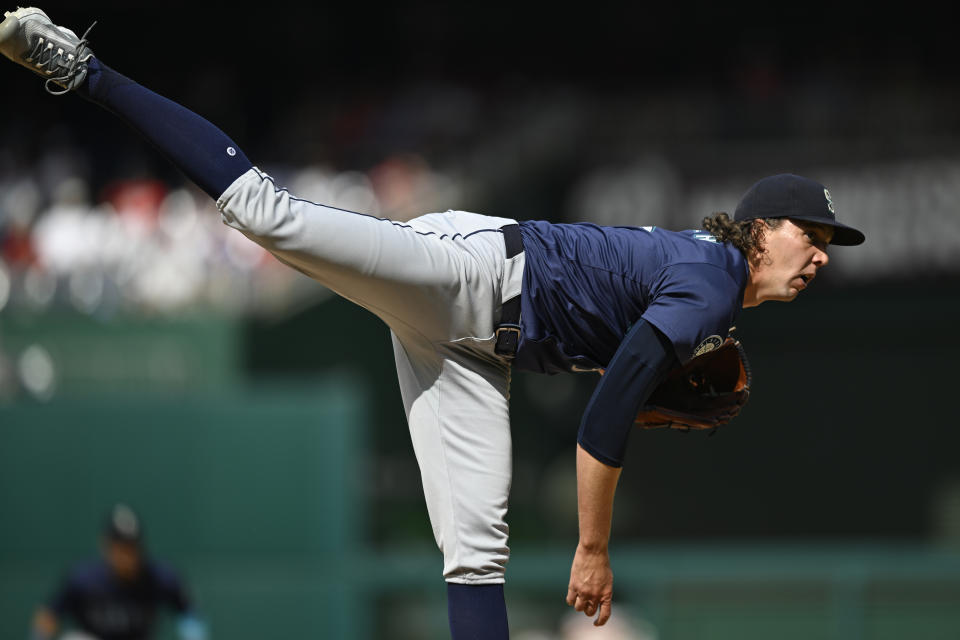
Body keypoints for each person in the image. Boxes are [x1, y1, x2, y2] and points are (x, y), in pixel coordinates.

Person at [2, 7, 865, 639]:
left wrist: (622, 369)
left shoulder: (704, 282)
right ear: (761, 226)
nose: (821, 252)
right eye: (811, 233)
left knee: (474, 552)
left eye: (828, 242)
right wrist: (592, 547)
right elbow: (604, 421)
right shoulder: (713, 281)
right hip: (470, 273)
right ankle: (86, 70)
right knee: (267, 214)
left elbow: (610, 363)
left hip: (481, 344)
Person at [29, 503, 208, 640]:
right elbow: (48, 615)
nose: (126, 556)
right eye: (120, 548)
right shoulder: (83, 579)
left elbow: (190, 616)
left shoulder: (160, 578)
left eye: (131, 547)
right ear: (106, 546)